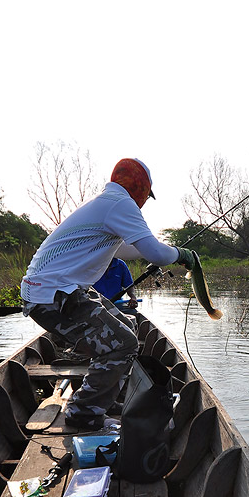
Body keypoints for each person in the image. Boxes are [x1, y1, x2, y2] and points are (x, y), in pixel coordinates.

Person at [21, 158, 196, 430]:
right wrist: (181, 254)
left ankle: (106, 398)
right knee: (123, 343)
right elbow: (156, 254)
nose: (145, 201)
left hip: (61, 290)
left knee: (129, 324)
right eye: (146, 195)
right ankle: (83, 414)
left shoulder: (108, 203)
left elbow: (126, 250)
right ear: (140, 187)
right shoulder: (120, 203)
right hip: (54, 295)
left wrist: (165, 251)